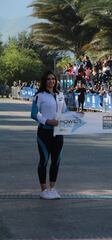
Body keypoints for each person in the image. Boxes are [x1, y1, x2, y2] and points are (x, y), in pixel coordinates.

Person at [30, 71, 67, 200]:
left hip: (58, 133)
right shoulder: (39, 96)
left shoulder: (60, 95)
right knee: (44, 160)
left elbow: (65, 111)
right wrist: (47, 121)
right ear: (44, 81)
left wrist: (76, 116)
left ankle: (52, 188)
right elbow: (34, 114)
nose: (51, 81)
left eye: (53, 79)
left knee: (56, 161)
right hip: (44, 132)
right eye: (48, 79)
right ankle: (43, 189)